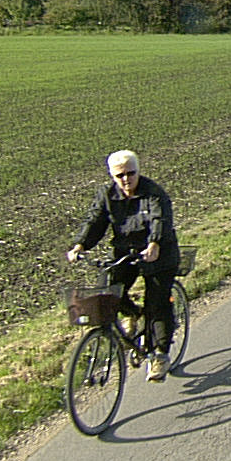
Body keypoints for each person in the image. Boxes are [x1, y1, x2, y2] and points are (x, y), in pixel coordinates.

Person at [68, 150, 180, 382]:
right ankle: (133, 314)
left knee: (157, 302)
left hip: (159, 253)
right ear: (112, 176)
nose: (126, 179)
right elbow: (95, 220)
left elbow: (159, 219)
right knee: (106, 291)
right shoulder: (107, 195)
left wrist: (154, 243)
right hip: (125, 252)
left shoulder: (153, 193)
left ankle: (160, 355)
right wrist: (80, 245)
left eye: (131, 173)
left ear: (138, 171)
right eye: (120, 175)